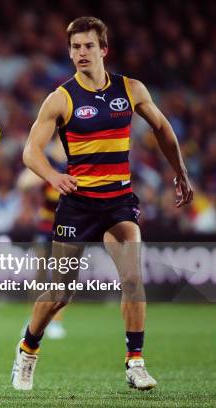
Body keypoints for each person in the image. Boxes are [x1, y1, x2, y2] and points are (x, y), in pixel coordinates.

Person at [12, 16, 193, 391]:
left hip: (118, 202)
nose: (81, 53)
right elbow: (31, 151)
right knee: (60, 293)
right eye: (75, 47)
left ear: (103, 49)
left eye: (88, 46)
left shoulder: (131, 89)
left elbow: (161, 127)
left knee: (132, 277)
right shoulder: (60, 99)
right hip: (77, 206)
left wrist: (179, 171)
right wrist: (53, 176)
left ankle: (135, 362)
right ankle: (28, 349)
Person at [16, 141, 66, 340]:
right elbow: (24, 183)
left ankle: (56, 321)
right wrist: (49, 167)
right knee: (40, 275)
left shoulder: (78, 160)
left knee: (61, 276)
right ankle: (34, 319)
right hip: (46, 225)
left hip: (68, 225)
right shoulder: (48, 162)